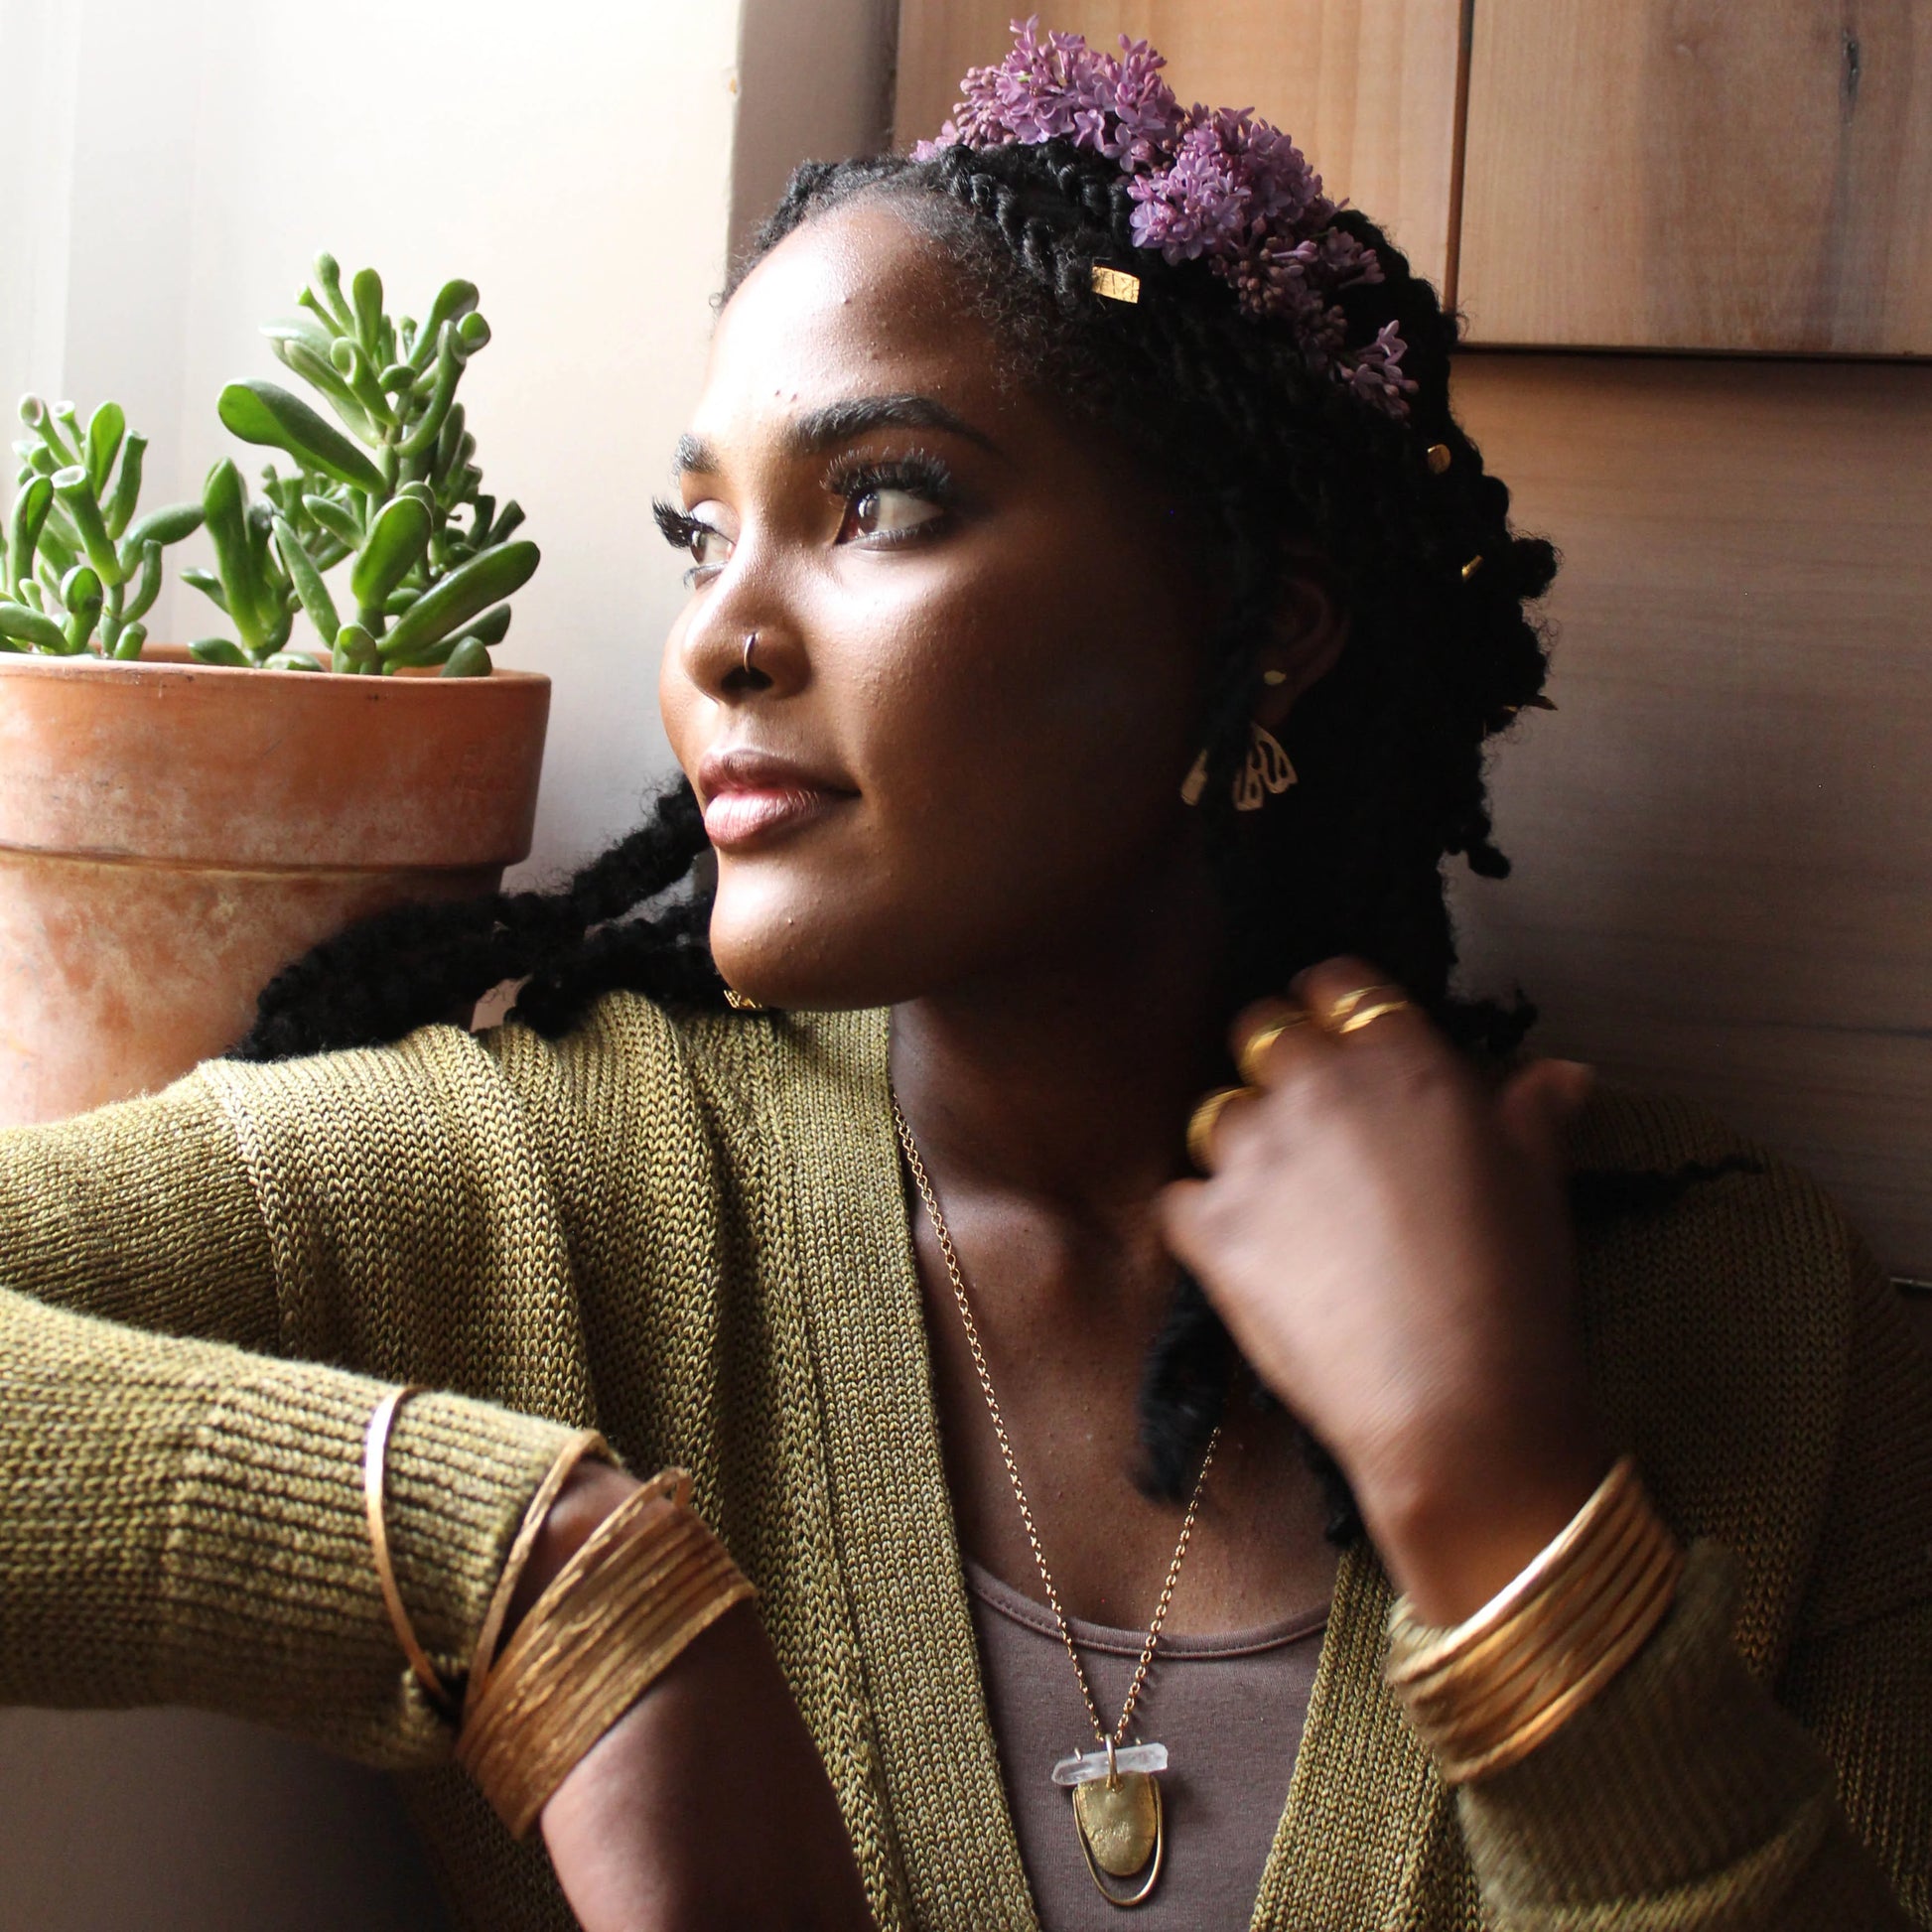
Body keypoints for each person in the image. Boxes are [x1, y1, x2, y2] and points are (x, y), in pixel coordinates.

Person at [3, 23, 1927, 1932]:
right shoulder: (534, 1196)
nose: (721, 639)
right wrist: (525, 1575)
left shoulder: (1740, 1317)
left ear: (1263, 623)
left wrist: (1502, 1500)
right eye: (698, 535)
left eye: (882, 500)